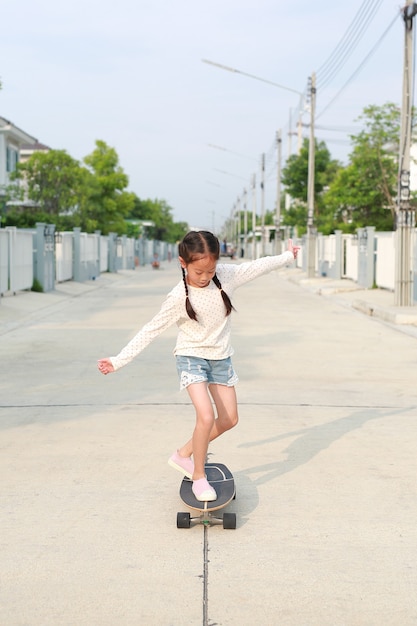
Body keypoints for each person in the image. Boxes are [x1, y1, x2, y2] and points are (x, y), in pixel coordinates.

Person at [97, 231, 299, 502]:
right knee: (205, 416)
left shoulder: (226, 276)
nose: (204, 277)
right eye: (198, 271)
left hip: (221, 358)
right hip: (191, 357)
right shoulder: (178, 296)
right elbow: (150, 330)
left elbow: (258, 266)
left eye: (210, 270)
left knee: (229, 419)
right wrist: (118, 360)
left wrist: (288, 256)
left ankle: (182, 455)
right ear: (183, 263)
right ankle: (199, 477)